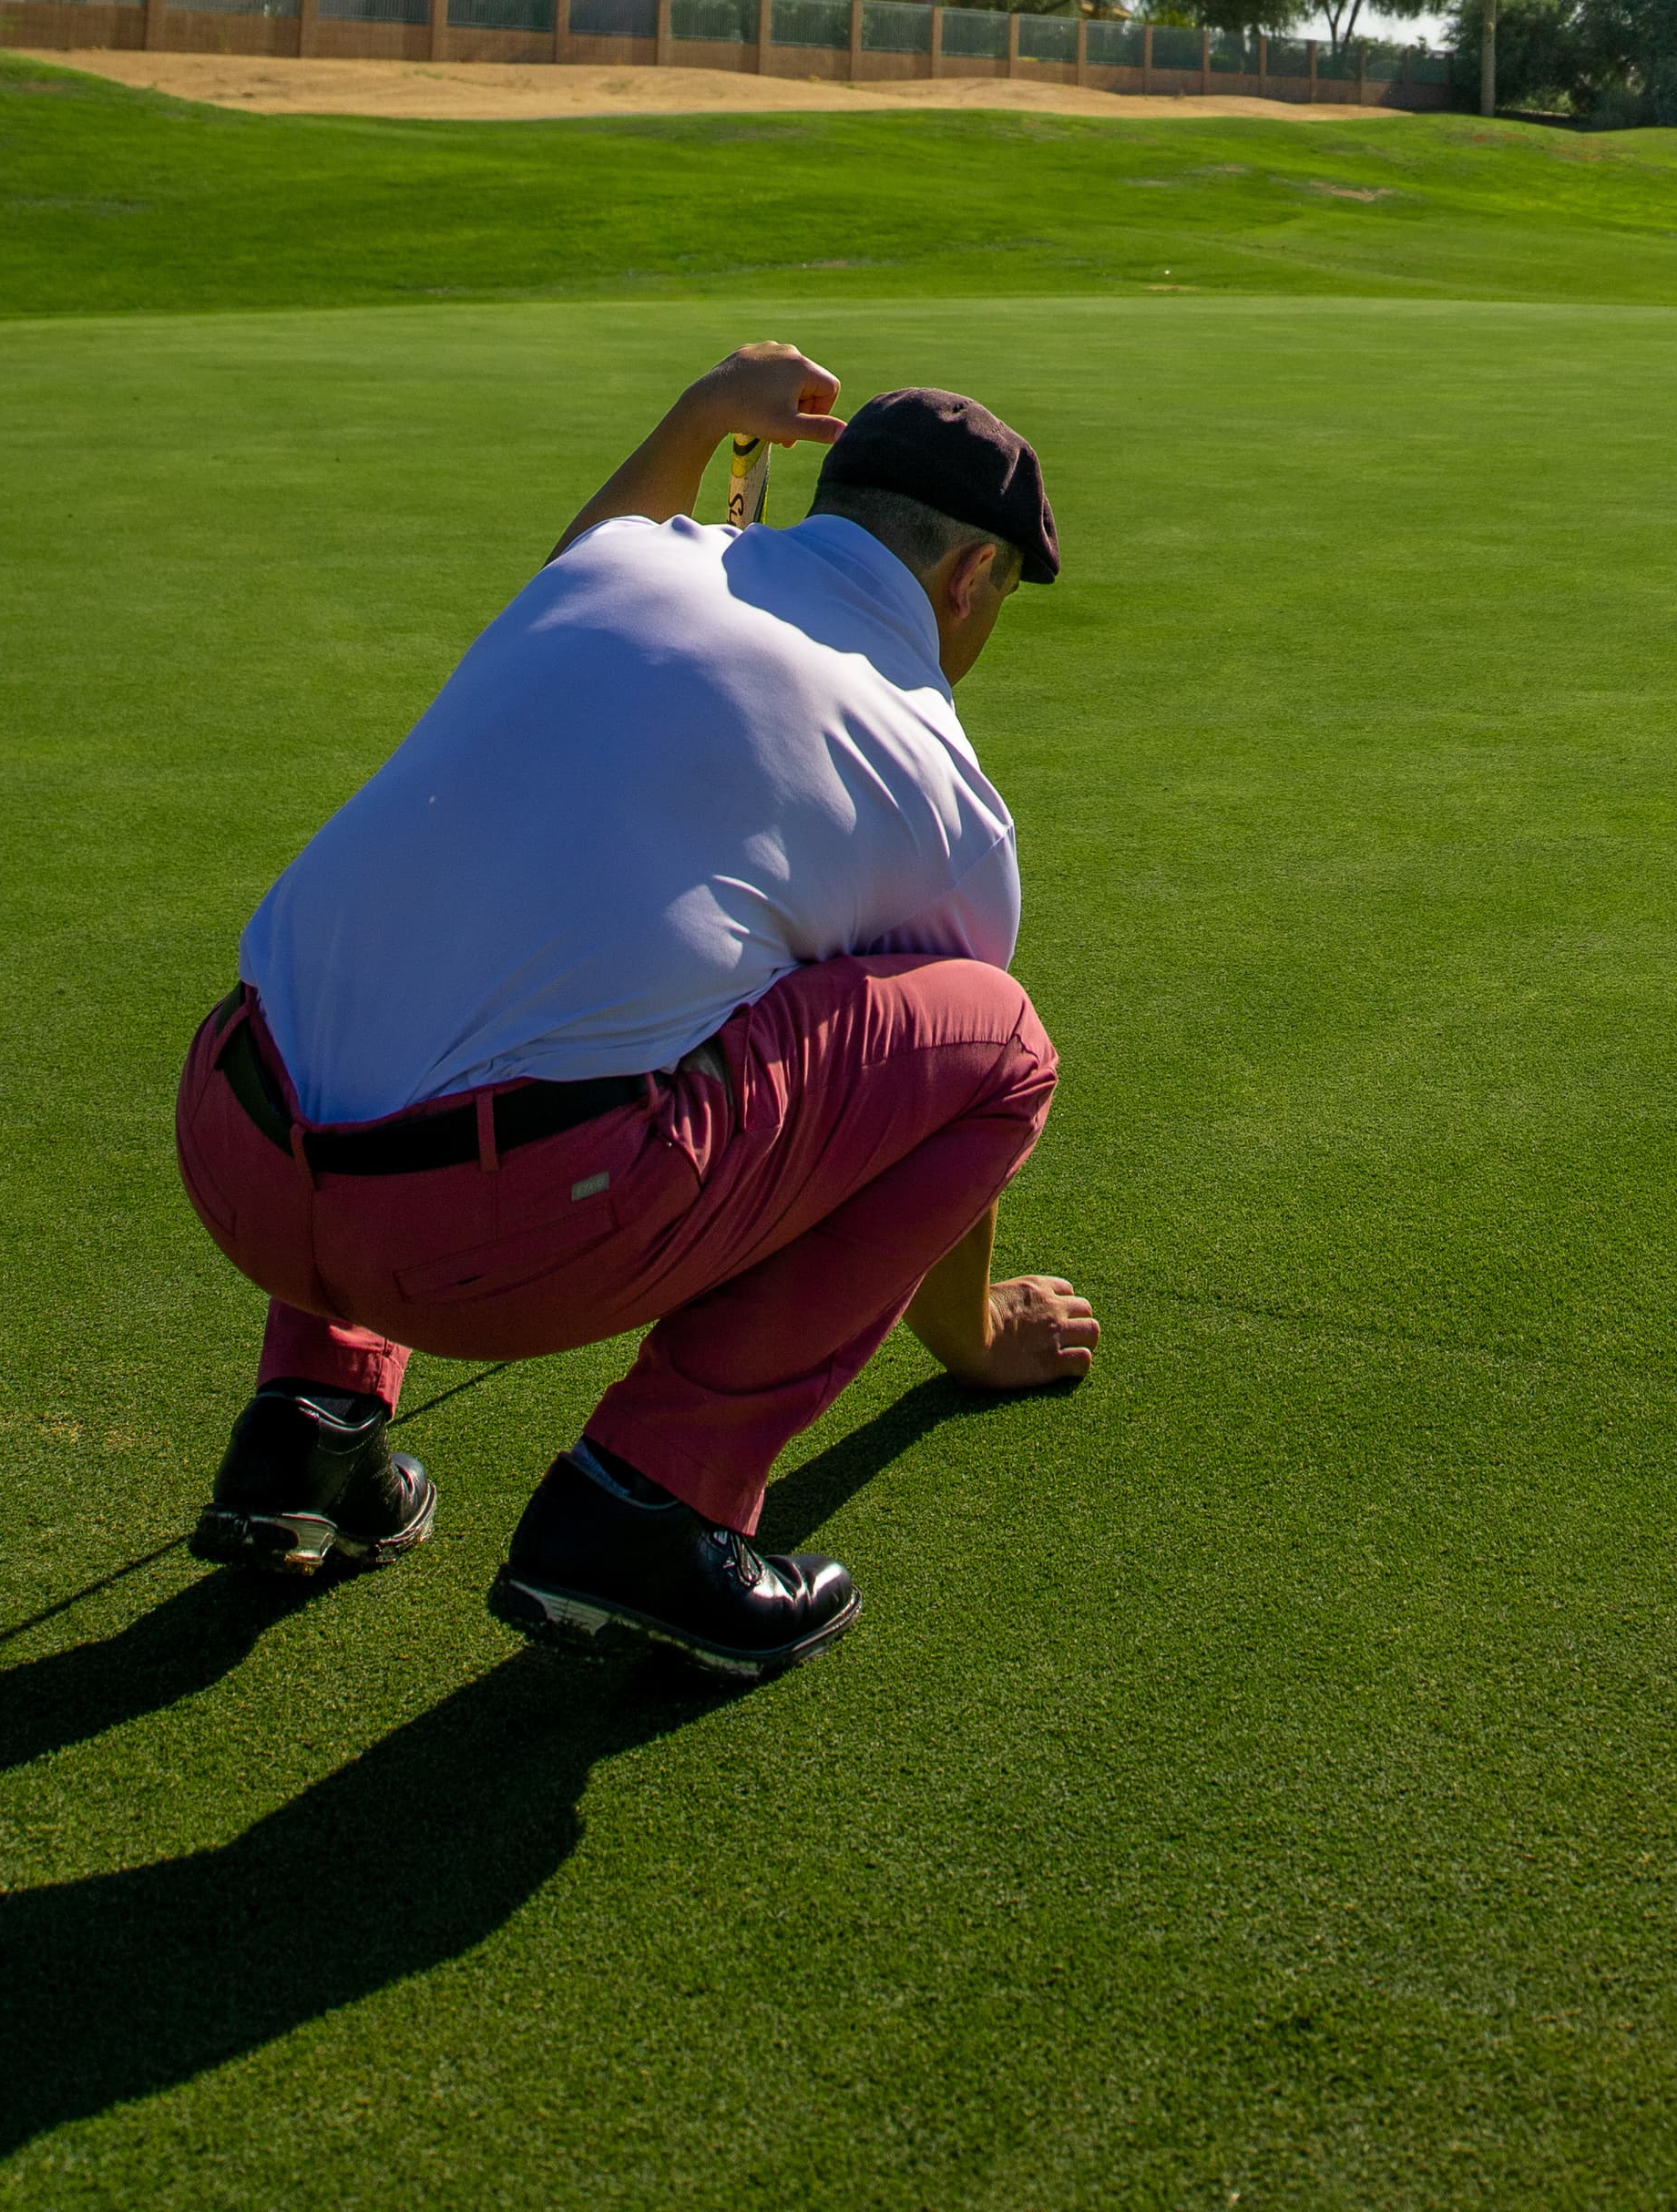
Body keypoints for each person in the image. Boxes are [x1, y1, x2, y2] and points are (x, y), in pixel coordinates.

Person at [174, 343, 1099, 1685]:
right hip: (510, 1239)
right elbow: (946, 1088)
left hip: (237, 1150)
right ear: (973, 578)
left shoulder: (621, 565)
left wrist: (696, 418)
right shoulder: (941, 785)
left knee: (486, 892)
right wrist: (975, 1335)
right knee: (998, 1040)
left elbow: (591, 542)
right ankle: (655, 1500)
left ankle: (309, 1426)